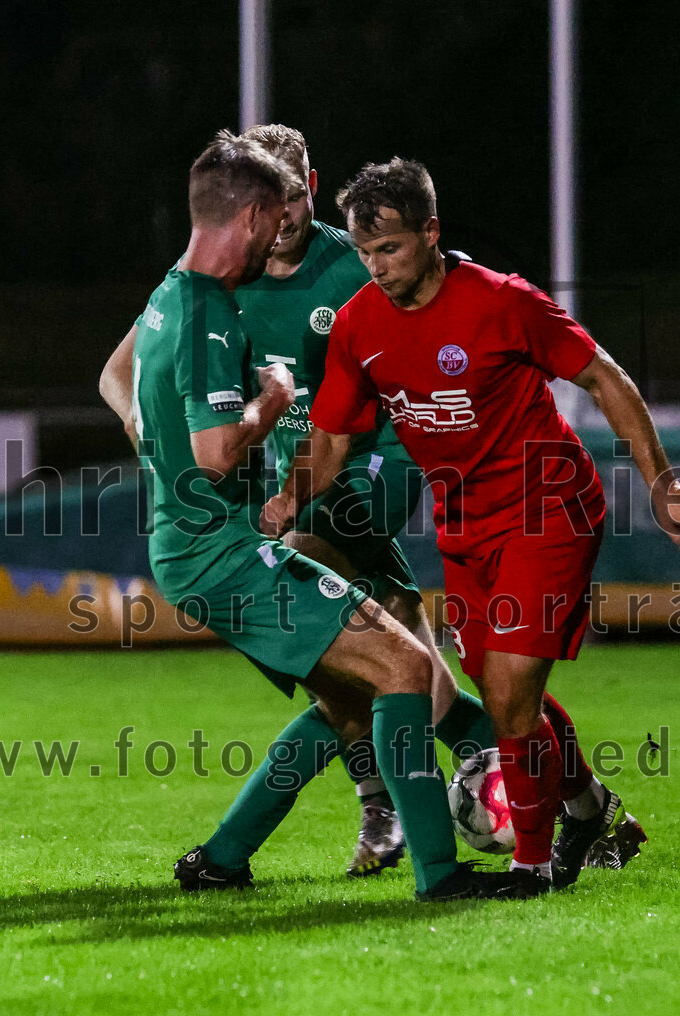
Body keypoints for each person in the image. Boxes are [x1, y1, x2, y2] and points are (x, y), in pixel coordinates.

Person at [262, 157, 680, 895]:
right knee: (500, 689)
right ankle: (586, 808)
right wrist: (288, 498)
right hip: (464, 525)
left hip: (550, 510)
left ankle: (531, 866)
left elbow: (603, 374)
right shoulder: (358, 326)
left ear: (431, 233)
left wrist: (661, 481)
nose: (377, 267)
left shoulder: (503, 302)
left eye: (393, 249)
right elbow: (334, 436)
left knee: (507, 698)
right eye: (367, 252)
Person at [116, 132, 522, 902]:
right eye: (274, 220)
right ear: (255, 213)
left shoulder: (169, 294)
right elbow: (214, 456)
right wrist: (271, 400)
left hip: (202, 546)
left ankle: (225, 857)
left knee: (363, 688)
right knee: (405, 669)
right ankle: (440, 874)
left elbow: (124, 382)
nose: (279, 237)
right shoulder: (210, 315)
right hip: (226, 555)